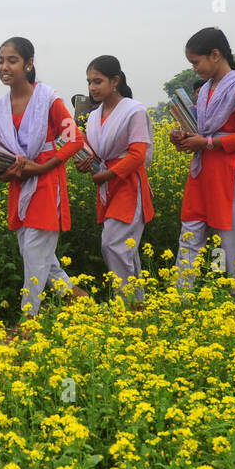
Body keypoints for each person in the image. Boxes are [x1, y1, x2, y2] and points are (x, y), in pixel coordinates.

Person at [0, 36, 87, 321]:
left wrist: (41, 168)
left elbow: (74, 140)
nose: (4, 67)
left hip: (45, 183)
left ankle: (28, 321)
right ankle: (82, 304)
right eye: (1, 61)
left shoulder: (48, 100)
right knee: (39, 257)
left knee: (34, 255)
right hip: (19, 185)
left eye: (12, 61)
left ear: (29, 64)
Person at [170, 28, 235, 291]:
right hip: (202, 171)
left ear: (216, 55)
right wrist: (186, 138)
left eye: (196, 62)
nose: (195, 69)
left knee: (232, 242)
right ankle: (180, 297)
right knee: (190, 235)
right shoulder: (208, 88)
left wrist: (206, 142)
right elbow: (204, 130)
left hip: (227, 173)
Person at [75, 55, 154, 303]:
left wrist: (106, 174)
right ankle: (136, 306)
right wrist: (84, 163)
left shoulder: (134, 111)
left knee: (114, 245)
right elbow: (94, 154)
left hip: (128, 184)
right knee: (125, 249)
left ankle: (127, 303)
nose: (92, 87)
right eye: (89, 82)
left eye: (98, 81)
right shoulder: (94, 116)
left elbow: (138, 154)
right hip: (108, 185)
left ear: (115, 81)